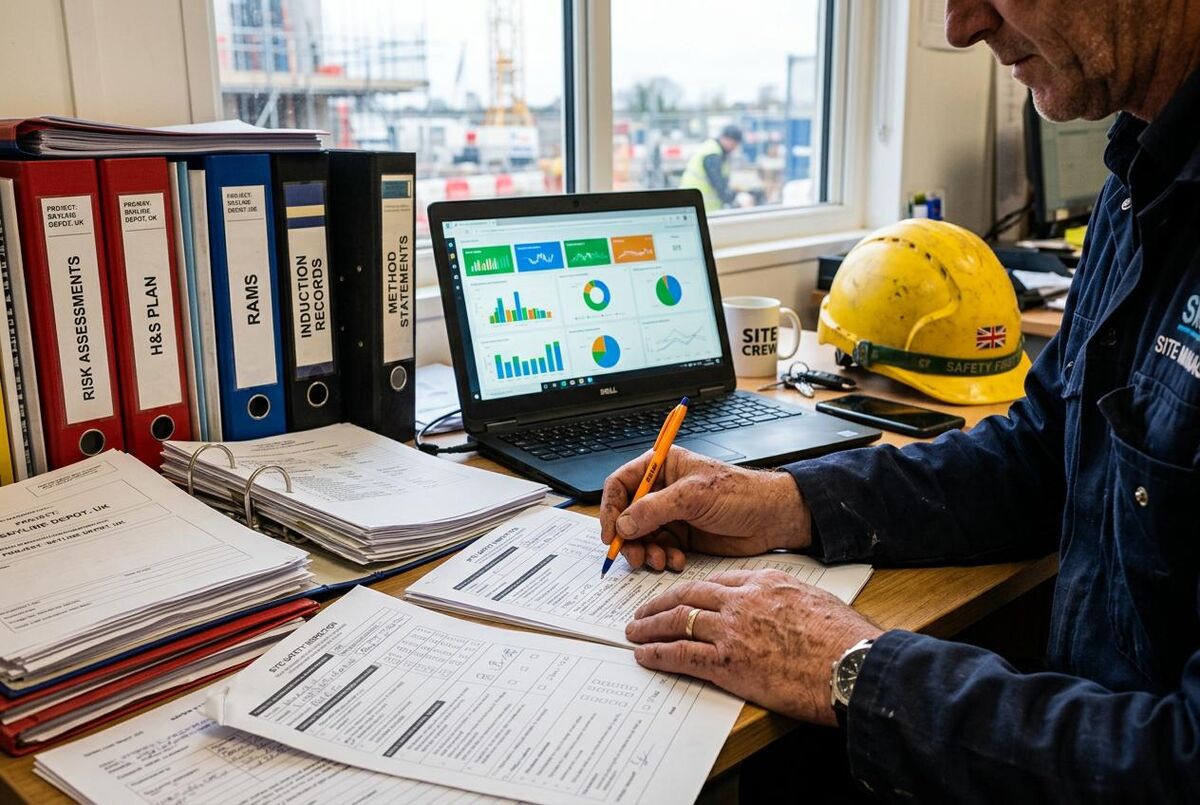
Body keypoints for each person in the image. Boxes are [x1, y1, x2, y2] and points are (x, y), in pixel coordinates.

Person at [599, 0, 1200, 799]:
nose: (960, 26)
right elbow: (1042, 452)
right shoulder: (1143, 171)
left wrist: (861, 670)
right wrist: (784, 502)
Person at [680, 124, 742, 211]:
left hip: (701, 206)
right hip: (699, 206)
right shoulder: (712, 154)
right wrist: (735, 198)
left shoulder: (716, 151)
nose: (735, 148)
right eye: (734, 144)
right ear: (727, 139)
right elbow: (719, 184)